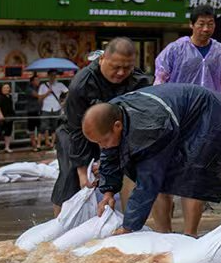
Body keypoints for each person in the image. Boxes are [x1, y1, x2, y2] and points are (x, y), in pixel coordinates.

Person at [87, 84, 221, 236]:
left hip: (207, 110)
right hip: (171, 116)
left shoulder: (148, 131)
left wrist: (128, 227)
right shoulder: (110, 116)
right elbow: (110, 155)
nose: (102, 146)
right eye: (97, 143)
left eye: (103, 141)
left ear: (117, 126)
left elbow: (147, 182)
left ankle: (190, 236)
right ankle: (164, 235)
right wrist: (108, 193)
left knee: (193, 175)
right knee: (162, 182)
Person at [51, 38, 150, 215]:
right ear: (103, 58)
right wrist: (82, 172)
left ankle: (130, 224)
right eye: (116, 67)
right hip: (76, 132)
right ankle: (60, 225)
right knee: (71, 177)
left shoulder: (138, 81)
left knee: (132, 173)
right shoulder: (82, 84)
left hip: (116, 133)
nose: (121, 73)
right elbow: (75, 130)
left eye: (127, 67)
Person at [154, 5, 221, 128]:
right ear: (191, 24)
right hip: (180, 110)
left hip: (211, 110)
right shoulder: (175, 49)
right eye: (201, 24)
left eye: (210, 24)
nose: (206, 29)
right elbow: (160, 80)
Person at [38, 69, 68, 150]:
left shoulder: (60, 85)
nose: (53, 77)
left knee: (55, 127)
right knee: (43, 127)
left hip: (56, 108)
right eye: (51, 75)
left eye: (54, 75)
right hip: (46, 108)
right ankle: (40, 144)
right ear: (48, 76)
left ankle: (52, 144)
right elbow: (39, 98)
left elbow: (68, 92)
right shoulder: (43, 86)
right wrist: (47, 93)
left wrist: (64, 102)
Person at [0, 83, 15, 154]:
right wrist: (0, 115)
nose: (6, 89)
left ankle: (7, 147)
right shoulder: (0, 97)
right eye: (4, 88)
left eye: (8, 87)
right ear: (1, 89)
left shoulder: (9, 96)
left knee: (8, 133)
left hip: (9, 118)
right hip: (1, 118)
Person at [24, 76, 43, 152]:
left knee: (40, 128)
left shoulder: (40, 88)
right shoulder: (29, 89)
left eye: (39, 80)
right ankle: (34, 145)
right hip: (31, 111)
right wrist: (48, 92)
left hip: (39, 110)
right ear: (32, 81)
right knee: (31, 129)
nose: (38, 81)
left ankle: (38, 144)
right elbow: (38, 96)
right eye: (36, 80)